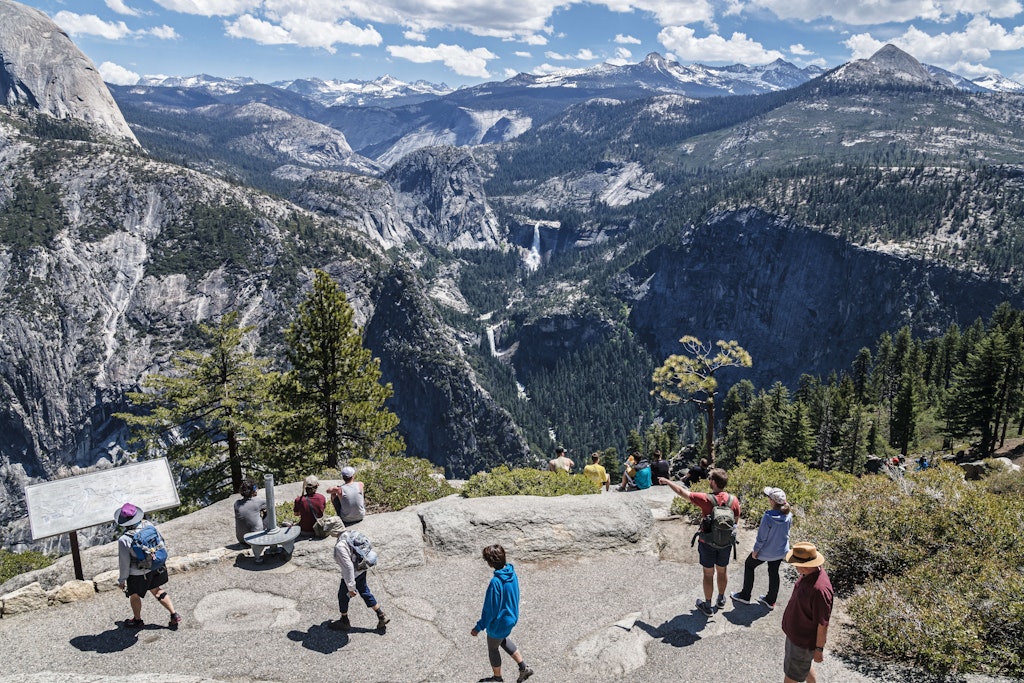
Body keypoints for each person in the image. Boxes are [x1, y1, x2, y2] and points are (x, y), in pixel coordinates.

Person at [660, 468, 741, 616]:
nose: (708, 480)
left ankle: (708, 605)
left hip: (707, 542)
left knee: (708, 574)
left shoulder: (706, 499)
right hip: (725, 544)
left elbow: (681, 492)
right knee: (722, 570)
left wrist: (667, 481)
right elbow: (735, 522)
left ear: (714, 482)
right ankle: (721, 599)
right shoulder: (734, 500)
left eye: (710, 478)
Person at [471, 544, 534, 683]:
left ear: (490, 563)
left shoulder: (496, 582)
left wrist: (478, 627)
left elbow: (490, 610)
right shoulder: (512, 573)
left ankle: (497, 678)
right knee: (503, 640)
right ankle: (524, 668)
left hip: (499, 622)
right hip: (510, 618)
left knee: (493, 648)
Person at [114, 502, 182, 629]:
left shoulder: (124, 539)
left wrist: (122, 580)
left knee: (134, 595)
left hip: (138, 573)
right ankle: (173, 614)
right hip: (156, 566)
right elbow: (161, 541)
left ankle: (137, 620)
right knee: (157, 590)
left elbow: (124, 562)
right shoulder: (149, 525)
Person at [731, 486, 792, 610]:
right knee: (774, 572)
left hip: (766, 551)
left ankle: (745, 595)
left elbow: (761, 538)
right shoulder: (789, 515)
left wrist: (756, 551)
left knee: (749, 565)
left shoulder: (768, 516)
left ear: (772, 501)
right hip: (780, 551)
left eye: (769, 497)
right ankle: (770, 601)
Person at [780, 542, 834, 683]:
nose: (795, 567)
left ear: (804, 565)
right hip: (796, 637)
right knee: (803, 667)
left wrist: (819, 649)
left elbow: (823, 624)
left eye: (796, 563)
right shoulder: (809, 573)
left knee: (791, 677)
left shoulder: (819, 590)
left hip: (802, 642)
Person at [329, 530, 389, 632]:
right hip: (361, 569)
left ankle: (344, 620)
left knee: (343, 596)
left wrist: (351, 587)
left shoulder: (340, 546)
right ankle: (381, 614)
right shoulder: (350, 534)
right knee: (365, 591)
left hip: (352, 575)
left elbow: (348, 567)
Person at [233, 477, 269, 546]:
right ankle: (268, 533)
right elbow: (270, 505)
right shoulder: (259, 501)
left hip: (241, 539)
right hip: (255, 538)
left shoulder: (236, 503)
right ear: (254, 491)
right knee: (268, 513)